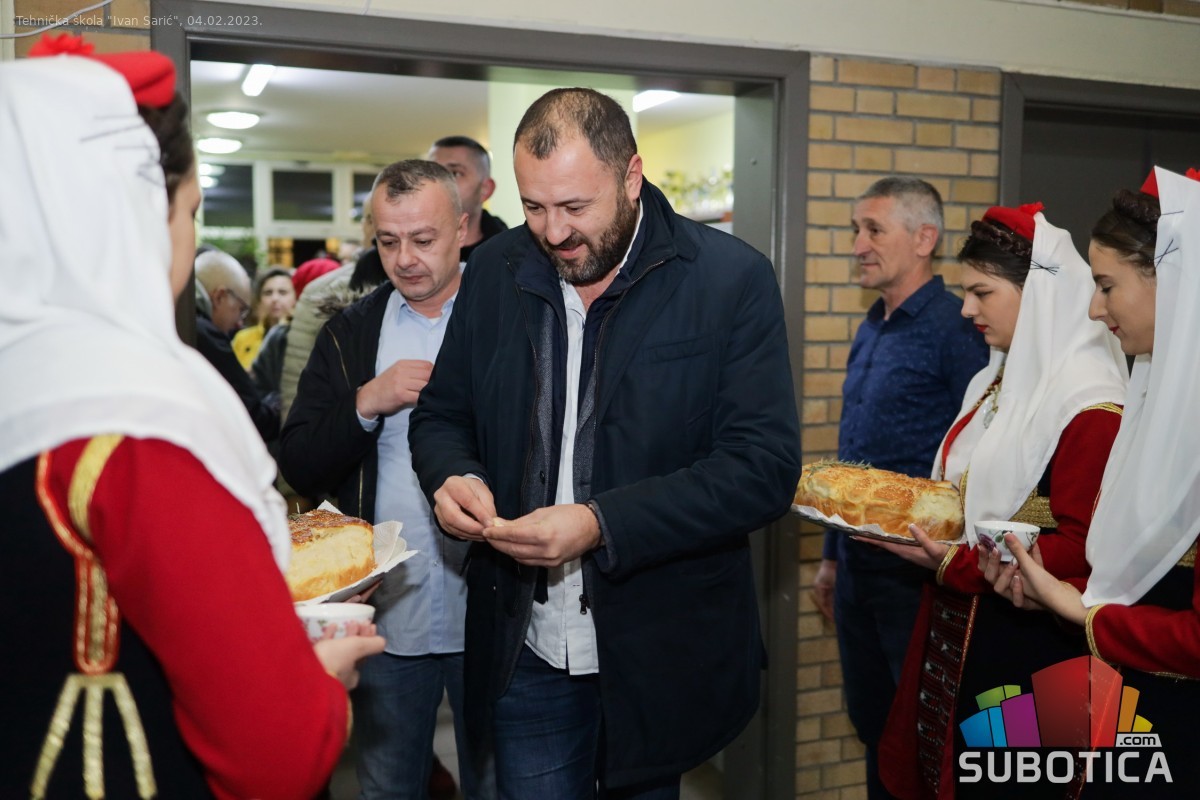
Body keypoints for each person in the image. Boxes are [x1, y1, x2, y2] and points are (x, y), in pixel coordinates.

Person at [0, 36, 384, 800]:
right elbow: (274, 752)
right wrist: (318, 681)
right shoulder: (141, 427)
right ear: (135, 216)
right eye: (189, 211)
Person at [408, 87, 801, 798]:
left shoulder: (728, 279)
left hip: (658, 643)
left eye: (575, 207)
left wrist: (600, 523)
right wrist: (453, 475)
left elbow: (761, 469)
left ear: (631, 176)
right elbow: (441, 413)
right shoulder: (495, 270)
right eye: (533, 207)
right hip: (525, 641)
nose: (553, 232)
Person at [869, 204, 1127, 799]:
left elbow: (1082, 549)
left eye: (982, 293)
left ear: (1040, 296)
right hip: (964, 622)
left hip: (1032, 645)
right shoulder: (994, 380)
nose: (966, 309)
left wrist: (953, 562)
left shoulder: (1092, 403)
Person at [280, 160, 493, 800]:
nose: (404, 259)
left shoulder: (512, 322)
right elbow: (298, 461)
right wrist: (365, 403)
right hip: (389, 612)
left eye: (423, 239)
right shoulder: (349, 333)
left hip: (493, 608)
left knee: (498, 783)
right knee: (388, 784)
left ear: (463, 228)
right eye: (388, 240)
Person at [991, 167, 1200, 797]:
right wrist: (1058, 590)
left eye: (1107, 286)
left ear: (1177, 281)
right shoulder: (1153, 397)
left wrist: (1082, 612)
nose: (1092, 308)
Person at [812, 177, 989, 798]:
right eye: (855, 230)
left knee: (919, 737)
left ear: (924, 238)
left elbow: (980, 452)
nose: (857, 245)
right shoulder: (872, 325)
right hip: (858, 570)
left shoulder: (956, 327)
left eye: (873, 230)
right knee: (873, 724)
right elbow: (855, 453)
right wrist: (831, 559)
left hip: (918, 575)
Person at [193, 248, 282, 443]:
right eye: (241, 309)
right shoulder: (205, 336)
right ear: (219, 297)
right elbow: (255, 419)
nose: (240, 323)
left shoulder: (180, 320)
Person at [429, 135, 508, 262]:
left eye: (455, 173)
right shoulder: (404, 250)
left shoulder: (512, 256)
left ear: (485, 189)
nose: (438, 182)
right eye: (432, 173)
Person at [232, 266, 296, 369]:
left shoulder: (300, 337)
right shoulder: (242, 338)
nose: (275, 298)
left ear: (295, 298)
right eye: (268, 293)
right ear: (259, 300)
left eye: (282, 292)